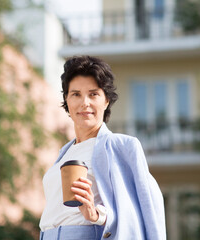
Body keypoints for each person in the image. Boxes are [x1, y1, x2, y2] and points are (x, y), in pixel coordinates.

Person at [39, 56, 166, 240]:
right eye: (76, 94)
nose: (85, 103)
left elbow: (145, 208)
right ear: (66, 100)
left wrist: (96, 214)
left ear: (106, 100)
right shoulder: (65, 153)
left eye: (93, 94)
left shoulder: (122, 147)